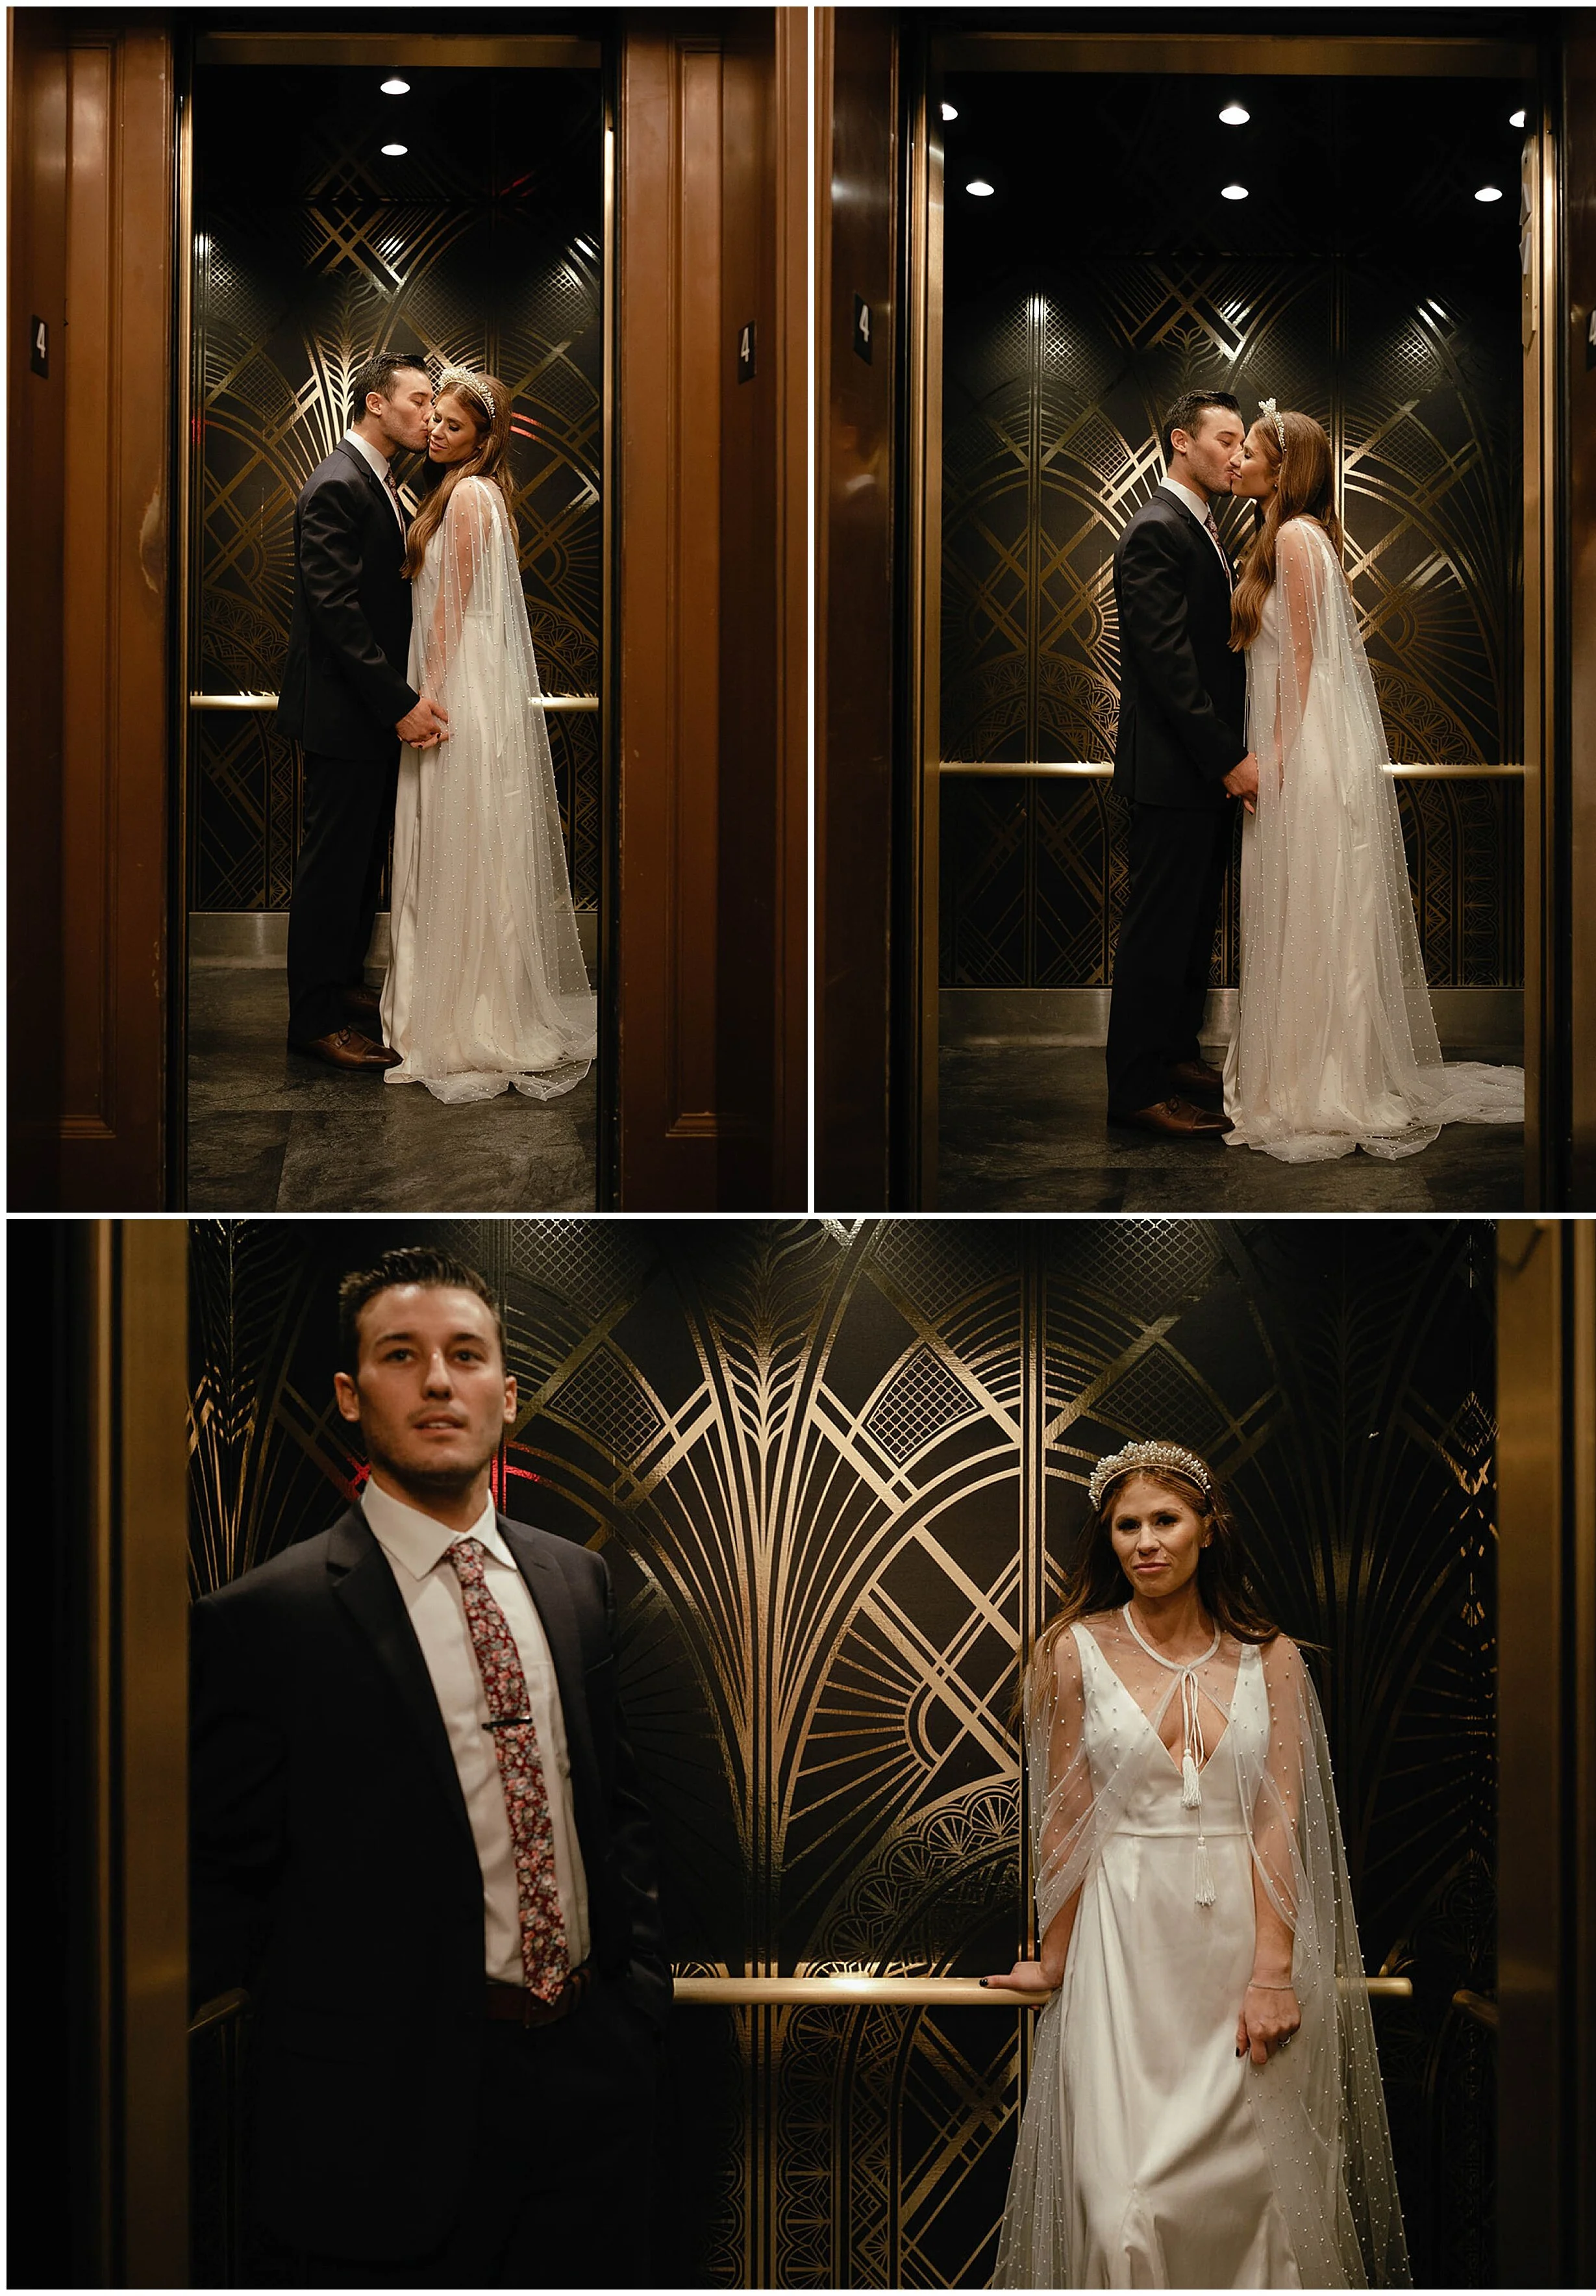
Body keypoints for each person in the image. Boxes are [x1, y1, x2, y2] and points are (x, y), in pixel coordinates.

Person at [190, 1246, 668, 2288]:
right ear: (352, 1397)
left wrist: (635, 2013)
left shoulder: (574, 1578)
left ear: (506, 1389)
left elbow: (614, 1804)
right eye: (403, 1356)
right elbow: (231, 1884)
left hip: (592, 2077)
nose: (440, 1381)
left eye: (465, 1354)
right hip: (383, 2113)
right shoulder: (270, 1617)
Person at [984, 1440, 1410, 2290]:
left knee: (1259, 2202)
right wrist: (1054, 1953)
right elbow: (1065, 1814)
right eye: (1126, 1524)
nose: (1146, 1539)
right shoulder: (1071, 1649)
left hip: (1238, 1961)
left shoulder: (1273, 1656)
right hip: (1124, 1953)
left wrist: (1276, 1971)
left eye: (1165, 1519)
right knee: (1121, 2205)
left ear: (1207, 1529)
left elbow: (1278, 1816)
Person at [1222, 403, 1523, 1161]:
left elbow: (1299, 661)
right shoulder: (1304, 537)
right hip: (1315, 746)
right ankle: (1320, 1068)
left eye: (1249, 451)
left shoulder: (1292, 538)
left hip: (1304, 750)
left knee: (1305, 904)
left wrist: (1277, 757)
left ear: (1281, 468)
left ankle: (1313, 1079)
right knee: (1315, 907)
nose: (1237, 462)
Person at [380, 368, 596, 1102]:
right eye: (434, 419)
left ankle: (464, 1012)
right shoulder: (462, 492)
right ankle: (443, 999)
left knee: (457, 837)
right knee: (453, 836)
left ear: (485, 440)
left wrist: (427, 696)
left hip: (456, 681)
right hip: (460, 675)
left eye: (453, 426)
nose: (436, 432)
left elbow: (451, 607)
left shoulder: (471, 496)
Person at [277, 353, 449, 1072]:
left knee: (358, 866)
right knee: (333, 869)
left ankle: (342, 983)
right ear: (376, 403)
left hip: (366, 717)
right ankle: (314, 1020)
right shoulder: (337, 483)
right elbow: (338, 615)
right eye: (417, 400)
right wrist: (401, 703)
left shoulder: (380, 483)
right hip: (347, 716)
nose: (429, 414)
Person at [1105, 390, 1260, 1140]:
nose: (1238, 455)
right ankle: (1134, 1088)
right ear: (1180, 442)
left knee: (1192, 928)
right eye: (1226, 440)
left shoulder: (1201, 528)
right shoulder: (1155, 531)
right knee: (1157, 931)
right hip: (1175, 771)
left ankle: (1172, 1055)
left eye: (1242, 444)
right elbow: (1168, 668)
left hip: (1195, 775)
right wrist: (1228, 757)